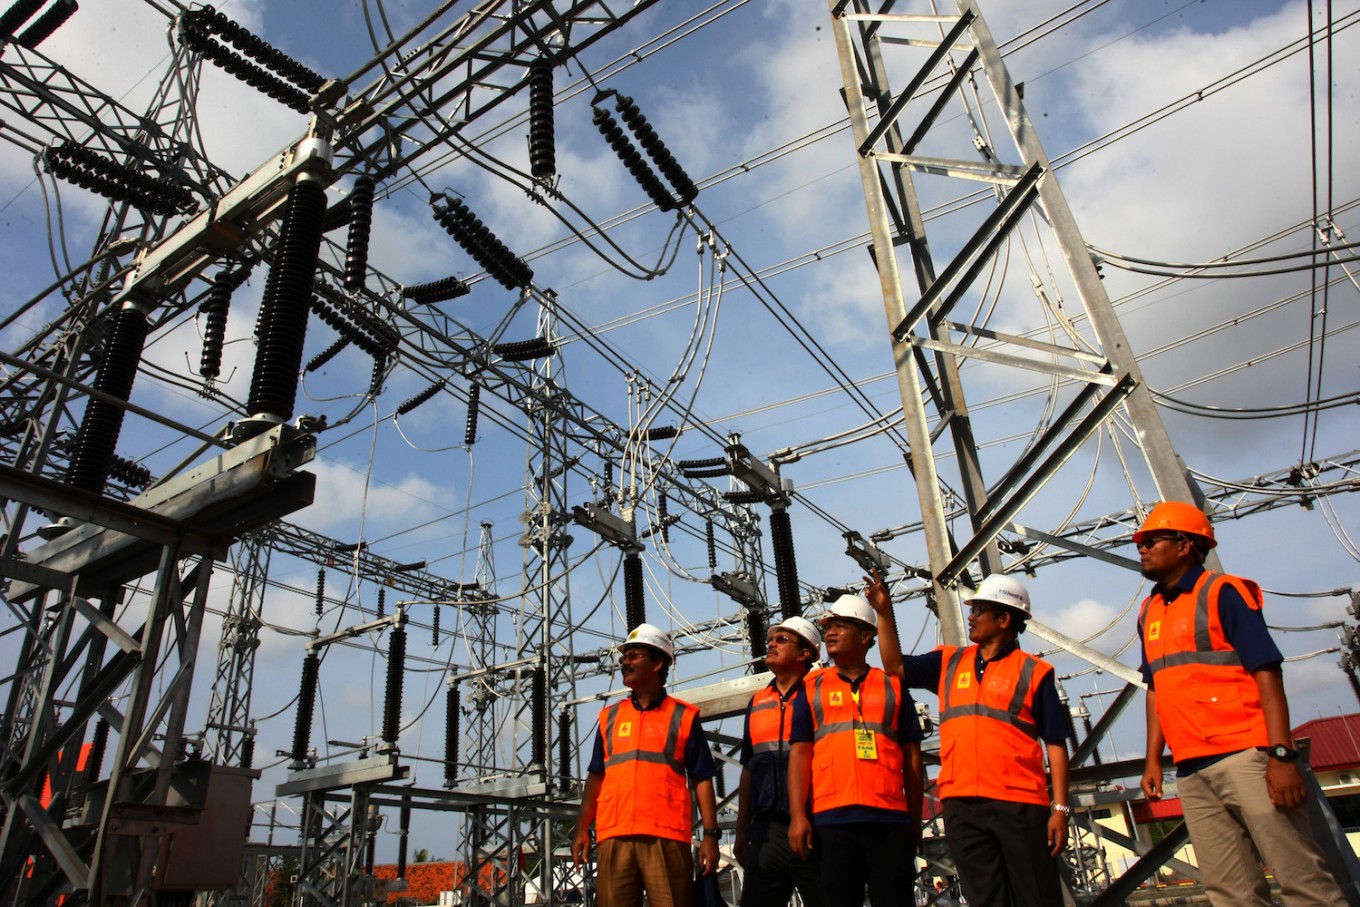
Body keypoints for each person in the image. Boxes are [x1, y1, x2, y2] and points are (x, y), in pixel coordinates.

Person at [1134, 501, 1346, 907]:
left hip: (1248, 756)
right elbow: (1156, 687)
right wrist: (1153, 760)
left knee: (1302, 881)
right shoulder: (1150, 610)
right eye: (1141, 541)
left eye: (1152, 539)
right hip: (1192, 768)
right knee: (1230, 893)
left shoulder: (1222, 592)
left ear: (1185, 546)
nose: (1142, 547)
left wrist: (1281, 755)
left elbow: (1267, 670)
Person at [869, 570, 1071, 907]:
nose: (971, 616)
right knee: (984, 900)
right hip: (961, 805)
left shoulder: (1033, 671)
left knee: (1037, 897)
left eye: (979, 610)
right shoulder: (950, 662)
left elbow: (1056, 743)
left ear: (1004, 618)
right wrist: (883, 612)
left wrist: (1060, 808)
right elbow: (894, 666)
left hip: (1019, 805)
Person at [786, 592, 924, 907]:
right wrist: (798, 816)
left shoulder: (893, 687)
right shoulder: (811, 688)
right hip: (831, 821)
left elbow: (913, 759)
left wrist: (914, 821)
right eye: (828, 626)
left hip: (890, 821)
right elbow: (799, 755)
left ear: (866, 636)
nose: (830, 632)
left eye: (840, 626)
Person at [572, 623, 721, 907]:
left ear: (658, 663)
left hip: (665, 836)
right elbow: (596, 777)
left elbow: (702, 779)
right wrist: (582, 829)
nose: (624, 662)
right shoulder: (609, 718)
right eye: (624, 657)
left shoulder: (683, 716)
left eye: (633, 655)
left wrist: (710, 836)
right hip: (615, 835)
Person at [734, 616, 824, 907]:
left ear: (804, 654)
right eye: (772, 639)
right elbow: (749, 768)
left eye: (781, 640)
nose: (771, 644)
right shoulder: (758, 702)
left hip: (815, 826)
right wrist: (740, 830)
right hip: (766, 831)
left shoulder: (820, 694)